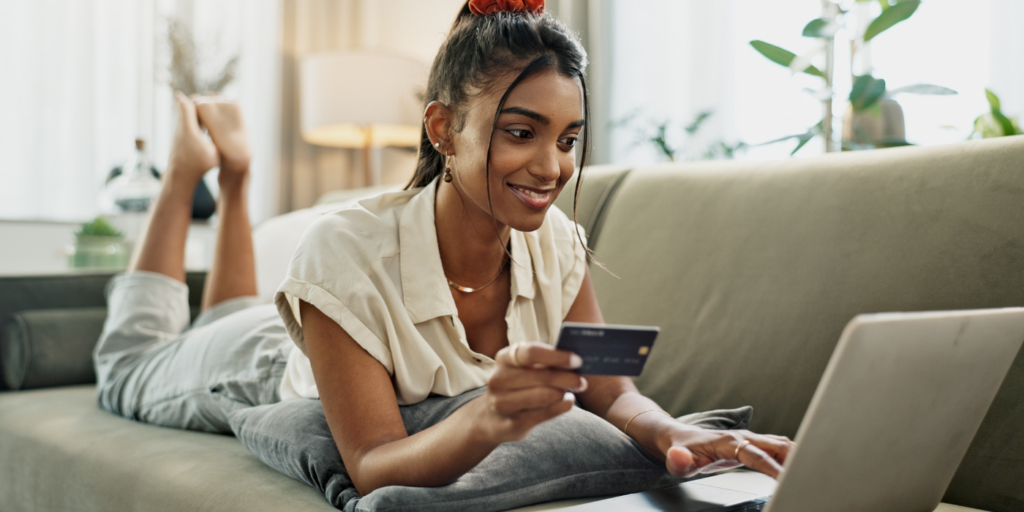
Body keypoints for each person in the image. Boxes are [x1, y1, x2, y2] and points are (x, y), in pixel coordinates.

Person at [94, 0, 793, 503]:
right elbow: (371, 463)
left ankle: (239, 179)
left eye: (569, 138)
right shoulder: (343, 251)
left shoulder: (558, 243)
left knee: (233, 308)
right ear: (442, 129)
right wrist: (486, 420)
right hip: (256, 366)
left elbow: (611, 390)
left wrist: (676, 432)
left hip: (303, 333)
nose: (552, 167)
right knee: (126, 367)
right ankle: (191, 167)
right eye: (522, 132)